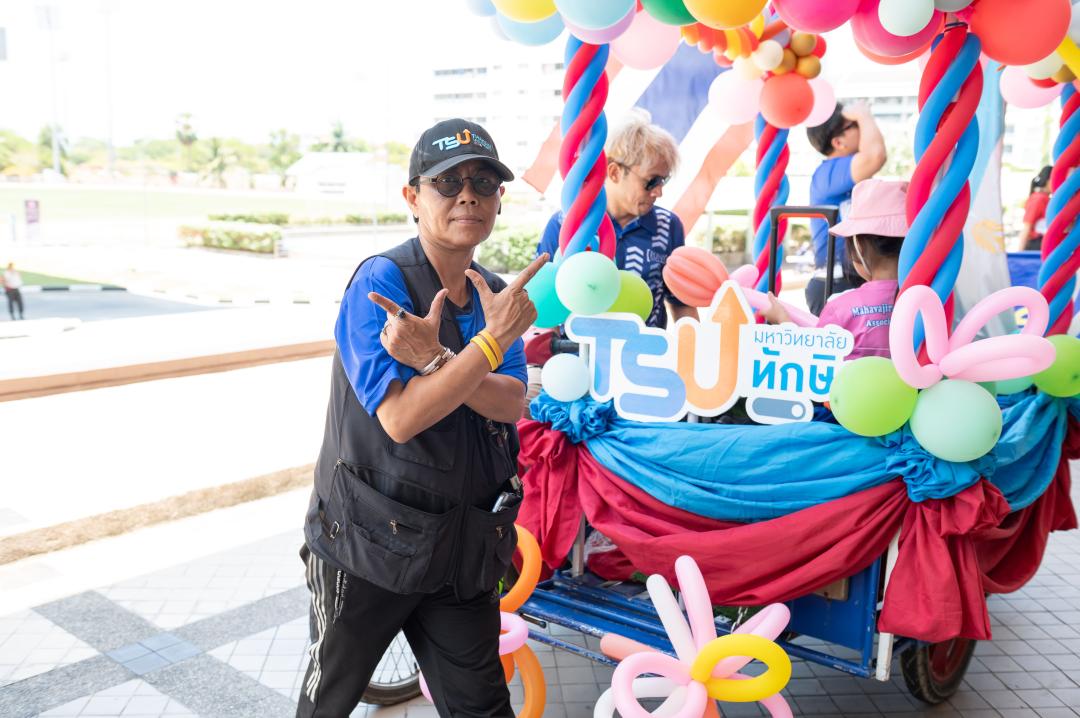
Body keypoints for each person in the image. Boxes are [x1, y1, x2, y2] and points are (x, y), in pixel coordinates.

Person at [298, 118, 547, 718]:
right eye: (448, 182)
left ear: (499, 199)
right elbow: (402, 418)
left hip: (462, 550)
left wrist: (439, 361)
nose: (468, 196)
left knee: (483, 707)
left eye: (483, 183)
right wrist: (488, 346)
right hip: (369, 544)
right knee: (327, 704)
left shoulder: (493, 295)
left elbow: (510, 403)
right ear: (413, 197)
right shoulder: (380, 282)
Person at [536, 110, 697, 329]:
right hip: (577, 349)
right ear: (614, 172)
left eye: (663, 181)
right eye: (652, 181)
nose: (659, 192)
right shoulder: (565, 224)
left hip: (646, 349)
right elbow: (544, 300)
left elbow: (682, 302)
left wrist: (693, 345)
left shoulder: (668, 226)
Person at [764, 179, 907, 360]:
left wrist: (783, 321)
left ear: (859, 247)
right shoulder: (926, 300)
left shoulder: (840, 309)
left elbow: (813, 360)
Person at [805, 103, 887, 316]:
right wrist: (863, 114)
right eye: (855, 124)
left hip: (849, 280)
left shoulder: (844, 175)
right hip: (835, 284)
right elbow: (875, 155)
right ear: (838, 142)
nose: (863, 128)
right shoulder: (828, 172)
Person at [1021, 165, 1052, 251]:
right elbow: (1027, 226)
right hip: (1037, 245)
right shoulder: (1039, 199)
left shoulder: (1045, 199)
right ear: (1048, 180)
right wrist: (1019, 253)